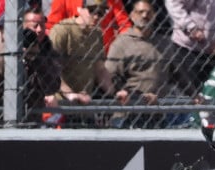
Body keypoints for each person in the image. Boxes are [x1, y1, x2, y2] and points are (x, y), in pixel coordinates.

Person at [0, 11, 61, 126]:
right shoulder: (6, 48)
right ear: (22, 28)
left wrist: (37, 59)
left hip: (32, 119)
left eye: (42, 26)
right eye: (35, 26)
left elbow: (52, 87)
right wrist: (11, 54)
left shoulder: (47, 52)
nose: (39, 30)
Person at [105, 0, 171, 128]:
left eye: (149, 12)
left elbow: (178, 73)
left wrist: (195, 94)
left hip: (157, 113)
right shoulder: (121, 43)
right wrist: (126, 93)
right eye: (140, 12)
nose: (145, 16)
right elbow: (109, 76)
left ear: (155, 15)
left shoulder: (164, 44)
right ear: (132, 15)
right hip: (128, 113)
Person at [50, 0, 118, 102]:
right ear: (80, 9)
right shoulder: (62, 30)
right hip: (59, 103)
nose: (96, 16)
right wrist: (70, 94)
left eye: (101, 13)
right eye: (92, 10)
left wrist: (114, 93)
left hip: (85, 101)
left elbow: (99, 69)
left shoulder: (97, 33)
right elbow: (50, 69)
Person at [46, 0, 131, 51]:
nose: (96, 16)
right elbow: (52, 24)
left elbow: (124, 24)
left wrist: (120, 46)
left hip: (103, 51)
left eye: (99, 13)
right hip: (74, 50)